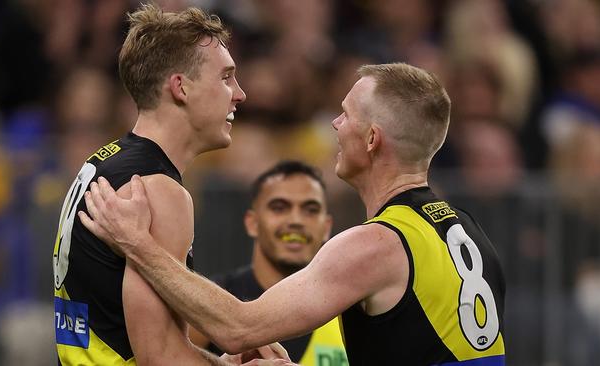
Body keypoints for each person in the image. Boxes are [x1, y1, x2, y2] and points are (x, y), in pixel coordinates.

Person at [81, 63, 507, 365]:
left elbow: (236, 328)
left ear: (373, 139)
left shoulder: (376, 244)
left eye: (345, 115)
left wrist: (137, 244)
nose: (335, 126)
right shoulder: (465, 229)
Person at [52, 4, 292, 365]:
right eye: (226, 77)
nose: (240, 94)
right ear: (181, 87)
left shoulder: (101, 161)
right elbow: (159, 358)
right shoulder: (157, 189)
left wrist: (221, 362)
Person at [189, 160, 347, 365]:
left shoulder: (346, 308)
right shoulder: (210, 302)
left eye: (310, 209)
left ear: (326, 227)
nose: (296, 220)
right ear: (252, 223)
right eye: (279, 207)